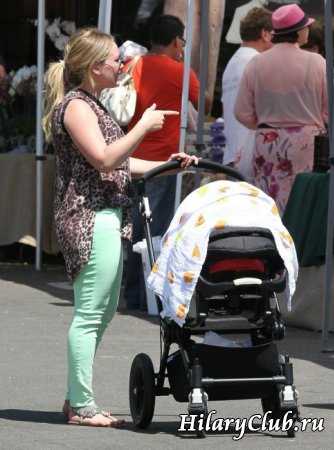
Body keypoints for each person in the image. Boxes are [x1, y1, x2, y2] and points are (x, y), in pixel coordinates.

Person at [42, 27, 197, 428]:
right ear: (95, 67)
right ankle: (80, 404)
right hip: (90, 217)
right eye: (115, 59)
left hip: (105, 215)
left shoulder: (90, 103)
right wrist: (143, 127)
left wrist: (166, 164)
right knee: (91, 313)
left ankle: (77, 397)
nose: (122, 65)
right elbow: (105, 159)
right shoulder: (77, 106)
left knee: (103, 310)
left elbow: (122, 162)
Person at [124, 14, 210, 310]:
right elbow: (204, 105)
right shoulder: (181, 72)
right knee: (156, 232)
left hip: (129, 155)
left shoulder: (132, 64)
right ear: (177, 41)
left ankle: (131, 292)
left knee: (133, 227)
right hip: (164, 161)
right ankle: (152, 296)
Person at [234, 3, 328, 215]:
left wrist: (264, 123)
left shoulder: (256, 63)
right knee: (303, 201)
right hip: (307, 142)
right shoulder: (317, 62)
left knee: (269, 201)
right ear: (299, 31)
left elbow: (241, 112)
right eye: (306, 27)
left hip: (268, 140)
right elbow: (328, 110)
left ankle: (270, 243)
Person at [221, 6, 272, 181]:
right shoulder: (256, 62)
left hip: (233, 154)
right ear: (265, 34)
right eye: (275, 36)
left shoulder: (234, 62)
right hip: (249, 156)